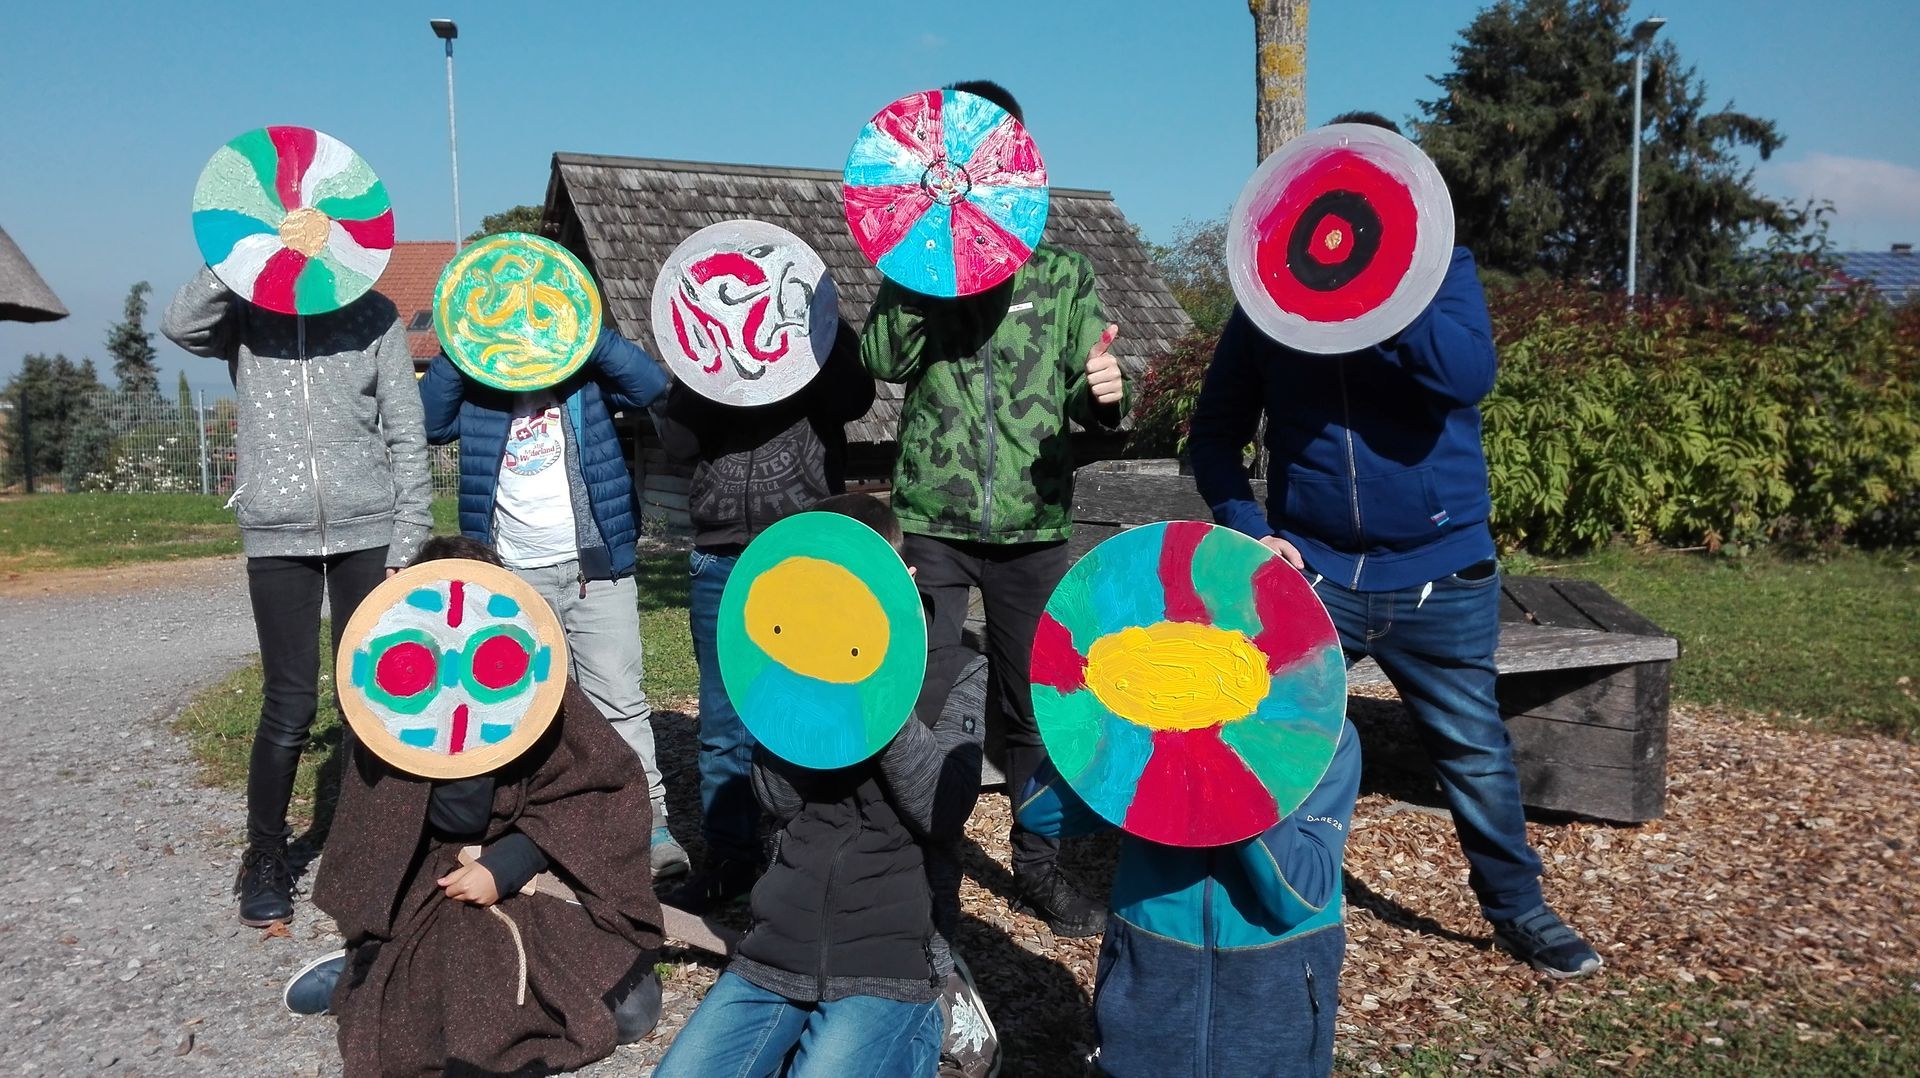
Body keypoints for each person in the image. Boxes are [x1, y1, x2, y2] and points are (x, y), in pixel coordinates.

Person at [1186, 111, 1602, 978]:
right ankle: (1281, 900)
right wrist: (1256, 532)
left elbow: (1466, 376)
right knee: (1277, 734)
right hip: (1317, 571)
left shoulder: (1444, 272)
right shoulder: (1267, 299)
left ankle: (1518, 909)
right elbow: (1215, 436)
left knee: (1475, 750)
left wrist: (1381, 293)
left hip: (1440, 571)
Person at [861, 79, 1130, 938]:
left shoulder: (1061, 273)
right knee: (923, 697)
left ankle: (1041, 867)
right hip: (932, 525)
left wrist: (1107, 395)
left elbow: (1095, 406)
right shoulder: (917, 268)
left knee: (1038, 704)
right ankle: (925, 877)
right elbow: (882, 358)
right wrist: (921, 270)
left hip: (1033, 528)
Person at [285, 535, 667, 1076]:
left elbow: (601, 796)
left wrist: (510, 862)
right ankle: (362, 969)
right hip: (429, 887)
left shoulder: (545, 694)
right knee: (420, 1004)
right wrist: (450, 751)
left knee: (630, 1013)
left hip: (542, 874)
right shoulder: (390, 712)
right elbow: (394, 833)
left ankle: (373, 977)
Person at [654, 494, 984, 1078]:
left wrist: (875, 692)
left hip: (894, 951)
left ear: (902, 579)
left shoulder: (959, 668)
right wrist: (802, 686)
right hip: (782, 939)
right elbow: (778, 800)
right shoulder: (793, 664)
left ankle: (932, 1029)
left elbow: (942, 810)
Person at [161, 266, 431, 926]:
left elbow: (405, 428)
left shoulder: (376, 315)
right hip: (276, 537)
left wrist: (408, 540)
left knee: (370, 699)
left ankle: (376, 855)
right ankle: (265, 857)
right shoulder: (248, 313)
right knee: (289, 705)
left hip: (368, 535)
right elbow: (181, 323)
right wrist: (241, 255)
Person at [420, 324, 689, 878]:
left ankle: (649, 827)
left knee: (619, 700)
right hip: (514, 575)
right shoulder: (479, 387)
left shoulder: (582, 377)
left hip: (596, 570)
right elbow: (429, 421)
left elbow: (646, 385)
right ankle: (542, 832)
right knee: (527, 707)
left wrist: (584, 330)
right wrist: (464, 340)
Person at [651, 323, 876, 912]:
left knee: (807, 710)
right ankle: (730, 860)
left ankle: (802, 857)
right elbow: (677, 442)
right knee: (724, 725)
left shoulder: (819, 331)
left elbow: (856, 398)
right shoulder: (702, 342)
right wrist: (709, 357)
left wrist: (812, 336)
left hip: (803, 551)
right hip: (721, 555)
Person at [1018, 722, 1361, 1077]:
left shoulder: (1321, 730)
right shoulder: (1152, 724)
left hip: (1272, 989)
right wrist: (1120, 725)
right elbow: (1039, 812)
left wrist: (1227, 768)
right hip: (1150, 970)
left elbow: (1299, 895)